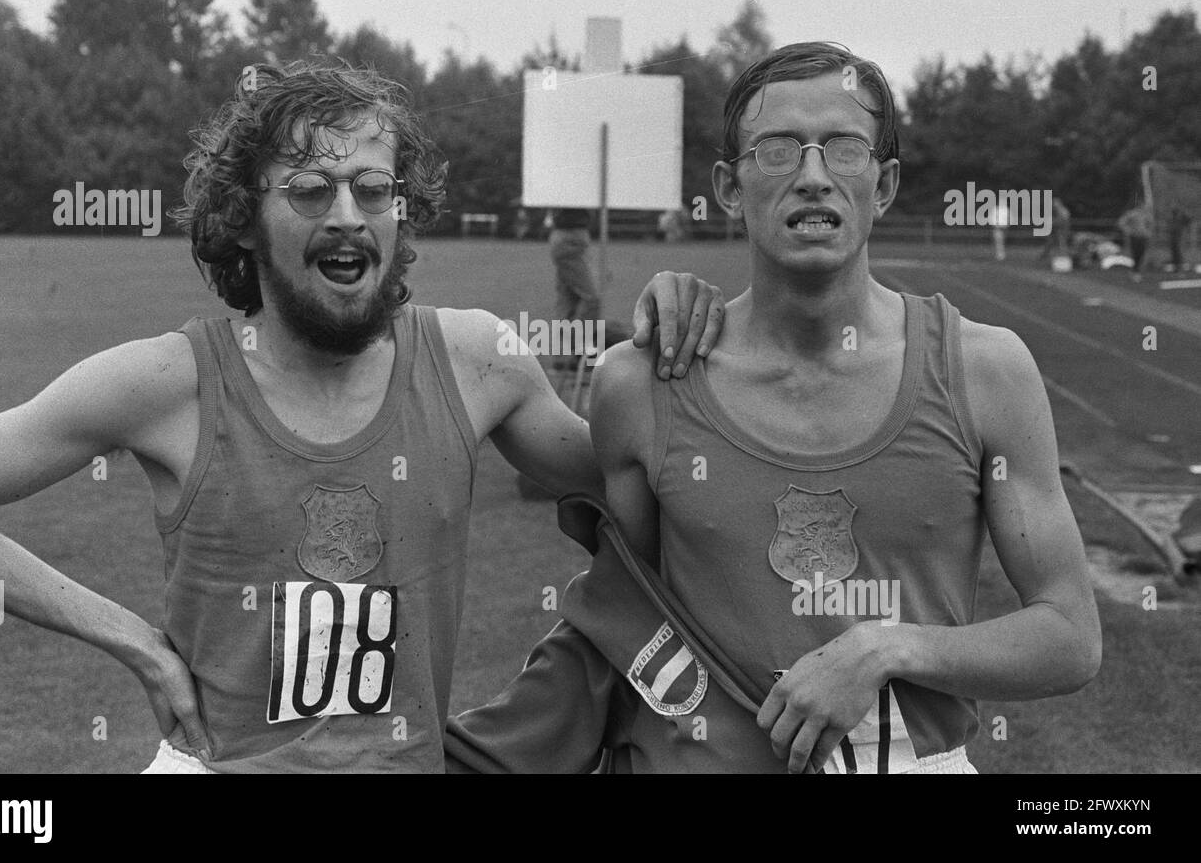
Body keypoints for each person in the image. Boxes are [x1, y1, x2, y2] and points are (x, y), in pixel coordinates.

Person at [0, 61, 725, 774]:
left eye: (373, 189)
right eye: (307, 189)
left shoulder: (477, 359)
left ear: (400, 215)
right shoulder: (165, 381)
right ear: (246, 219)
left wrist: (668, 337)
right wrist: (136, 643)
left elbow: (648, 491)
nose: (345, 213)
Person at [447, 41, 1102, 774]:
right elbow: (630, 616)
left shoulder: (986, 370)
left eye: (843, 149)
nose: (813, 176)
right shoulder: (640, 384)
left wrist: (884, 647)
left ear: (883, 184)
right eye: (779, 150)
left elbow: (1071, 635)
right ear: (729, 186)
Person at [546, 208, 601, 322]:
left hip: (568, 238)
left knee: (569, 298)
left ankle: (565, 334)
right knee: (591, 299)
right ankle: (577, 335)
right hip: (569, 239)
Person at [1117, 203, 1152, 280]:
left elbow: (1150, 224)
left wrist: (1148, 233)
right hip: (1135, 236)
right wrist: (1128, 231)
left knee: (1141, 254)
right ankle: (1135, 272)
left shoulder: (1146, 214)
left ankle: (1137, 270)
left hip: (1143, 237)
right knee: (1136, 254)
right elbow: (1121, 222)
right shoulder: (1132, 213)